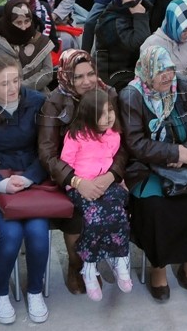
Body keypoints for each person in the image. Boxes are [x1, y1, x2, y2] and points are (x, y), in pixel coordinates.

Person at [118, 43, 187, 301]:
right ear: (146, 72)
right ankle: (159, 269)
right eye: (159, 71)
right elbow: (135, 142)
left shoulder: (186, 87)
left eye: (170, 69)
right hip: (147, 166)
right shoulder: (132, 96)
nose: (167, 76)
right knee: (157, 208)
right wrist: (172, 153)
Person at [36, 49, 128, 297]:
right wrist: (76, 181)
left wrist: (112, 175)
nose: (87, 81)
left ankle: (112, 257)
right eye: (78, 77)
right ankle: (77, 265)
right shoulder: (54, 102)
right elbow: (47, 154)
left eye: (90, 74)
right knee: (77, 214)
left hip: (105, 173)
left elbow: (121, 143)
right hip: (67, 175)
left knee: (115, 203)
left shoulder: (108, 93)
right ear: (67, 76)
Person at [0, 55, 52, 325]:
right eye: (4, 83)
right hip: (0, 182)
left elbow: (48, 149)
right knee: (10, 236)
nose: (12, 88)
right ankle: (0, 292)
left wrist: (31, 177)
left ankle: (35, 290)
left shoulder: (37, 102)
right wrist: (0, 184)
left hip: (32, 179)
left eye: (16, 80)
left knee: (38, 234)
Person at [61, 87, 133, 301]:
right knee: (94, 219)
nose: (108, 116)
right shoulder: (75, 136)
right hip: (82, 187)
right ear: (88, 116)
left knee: (119, 213)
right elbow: (65, 165)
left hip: (108, 185)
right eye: (101, 113)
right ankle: (89, 266)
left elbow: (114, 161)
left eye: (110, 110)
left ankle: (120, 257)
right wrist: (78, 184)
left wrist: (119, 180)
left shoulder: (114, 135)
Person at [0, 0, 55, 91]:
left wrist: (20, 88)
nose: (24, 27)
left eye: (27, 21)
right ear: (9, 23)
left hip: (37, 95)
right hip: (3, 95)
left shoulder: (40, 41)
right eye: (18, 23)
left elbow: (47, 73)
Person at [92, 0, 152, 88]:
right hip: (115, 75)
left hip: (134, 70)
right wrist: (140, 17)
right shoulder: (112, 21)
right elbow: (141, 44)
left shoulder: (138, 10)